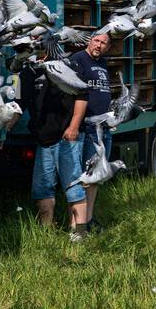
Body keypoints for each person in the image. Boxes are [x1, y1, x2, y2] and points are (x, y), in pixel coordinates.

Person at [19, 63, 88, 237]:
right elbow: (19, 105)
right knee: (42, 189)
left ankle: (79, 233)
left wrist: (74, 127)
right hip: (43, 141)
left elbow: (82, 95)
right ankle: (46, 233)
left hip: (67, 138)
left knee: (73, 186)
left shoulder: (66, 66)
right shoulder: (27, 73)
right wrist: (4, 129)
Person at [65, 32, 113, 232]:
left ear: (107, 48)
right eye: (96, 40)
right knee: (81, 177)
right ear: (89, 41)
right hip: (86, 129)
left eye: (104, 43)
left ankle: (89, 219)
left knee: (95, 178)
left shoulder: (103, 63)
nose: (99, 45)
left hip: (103, 128)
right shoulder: (78, 60)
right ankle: (76, 224)